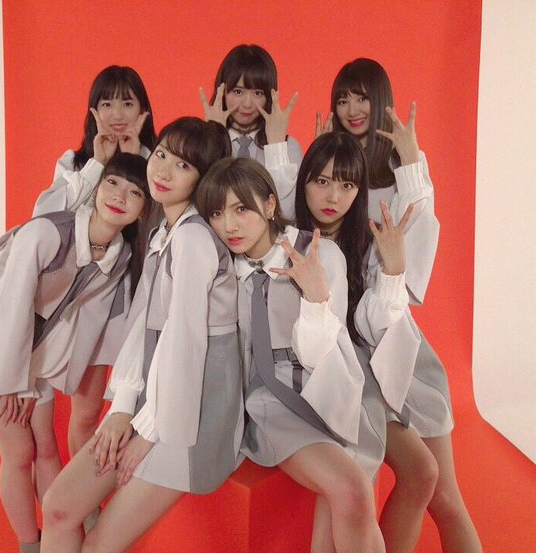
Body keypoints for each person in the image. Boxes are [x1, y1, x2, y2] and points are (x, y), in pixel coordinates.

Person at [0, 153, 150, 553]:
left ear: (143, 211)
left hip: (33, 350)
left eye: (135, 193)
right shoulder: (47, 234)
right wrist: (13, 384)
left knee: (46, 445)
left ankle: (57, 538)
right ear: (96, 188)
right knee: (19, 451)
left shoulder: (118, 258)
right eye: (113, 183)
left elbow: (77, 323)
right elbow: (11, 310)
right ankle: (29, 544)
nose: (120, 196)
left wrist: (38, 378)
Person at [39, 117, 240, 553]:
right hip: (156, 397)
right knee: (58, 508)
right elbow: (141, 329)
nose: (163, 170)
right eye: (162, 154)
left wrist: (145, 430)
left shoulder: (194, 241)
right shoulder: (164, 231)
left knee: (98, 545)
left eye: (183, 166)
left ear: (204, 178)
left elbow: (186, 346)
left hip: (193, 415)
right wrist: (122, 408)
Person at [321, 58, 483, 553]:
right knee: (377, 484)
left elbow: (411, 275)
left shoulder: (406, 175)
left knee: (443, 494)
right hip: (350, 352)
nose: (352, 109)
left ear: (381, 101)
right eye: (343, 98)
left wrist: (412, 165)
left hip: (397, 344)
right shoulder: (331, 171)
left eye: (362, 97)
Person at [196, 157, 388, 553]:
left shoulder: (319, 253)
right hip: (271, 401)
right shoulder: (220, 268)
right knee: (351, 490)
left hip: (330, 387)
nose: (229, 225)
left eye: (241, 209)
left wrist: (316, 300)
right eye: (216, 214)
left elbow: (325, 355)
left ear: (270, 205)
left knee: (341, 508)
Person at [33, 65, 156, 457]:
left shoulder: (158, 164)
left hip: (126, 300)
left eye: (127, 103)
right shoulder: (75, 163)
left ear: (143, 112)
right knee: (73, 411)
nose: (117, 114)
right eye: (107, 104)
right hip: (75, 300)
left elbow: (161, 231)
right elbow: (45, 219)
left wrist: (135, 164)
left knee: (107, 408)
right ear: (93, 111)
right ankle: (73, 489)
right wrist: (99, 166)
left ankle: (95, 484)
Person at [199, 44, 301, 219]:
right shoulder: (199, 142)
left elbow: (285, 213)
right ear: (222, 91)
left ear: (270, 96)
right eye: (238, 91)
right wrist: (214, 138)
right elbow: (202, 205)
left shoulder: (288, 147)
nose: (247, 104)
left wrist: (276, 147)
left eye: (258, 93)